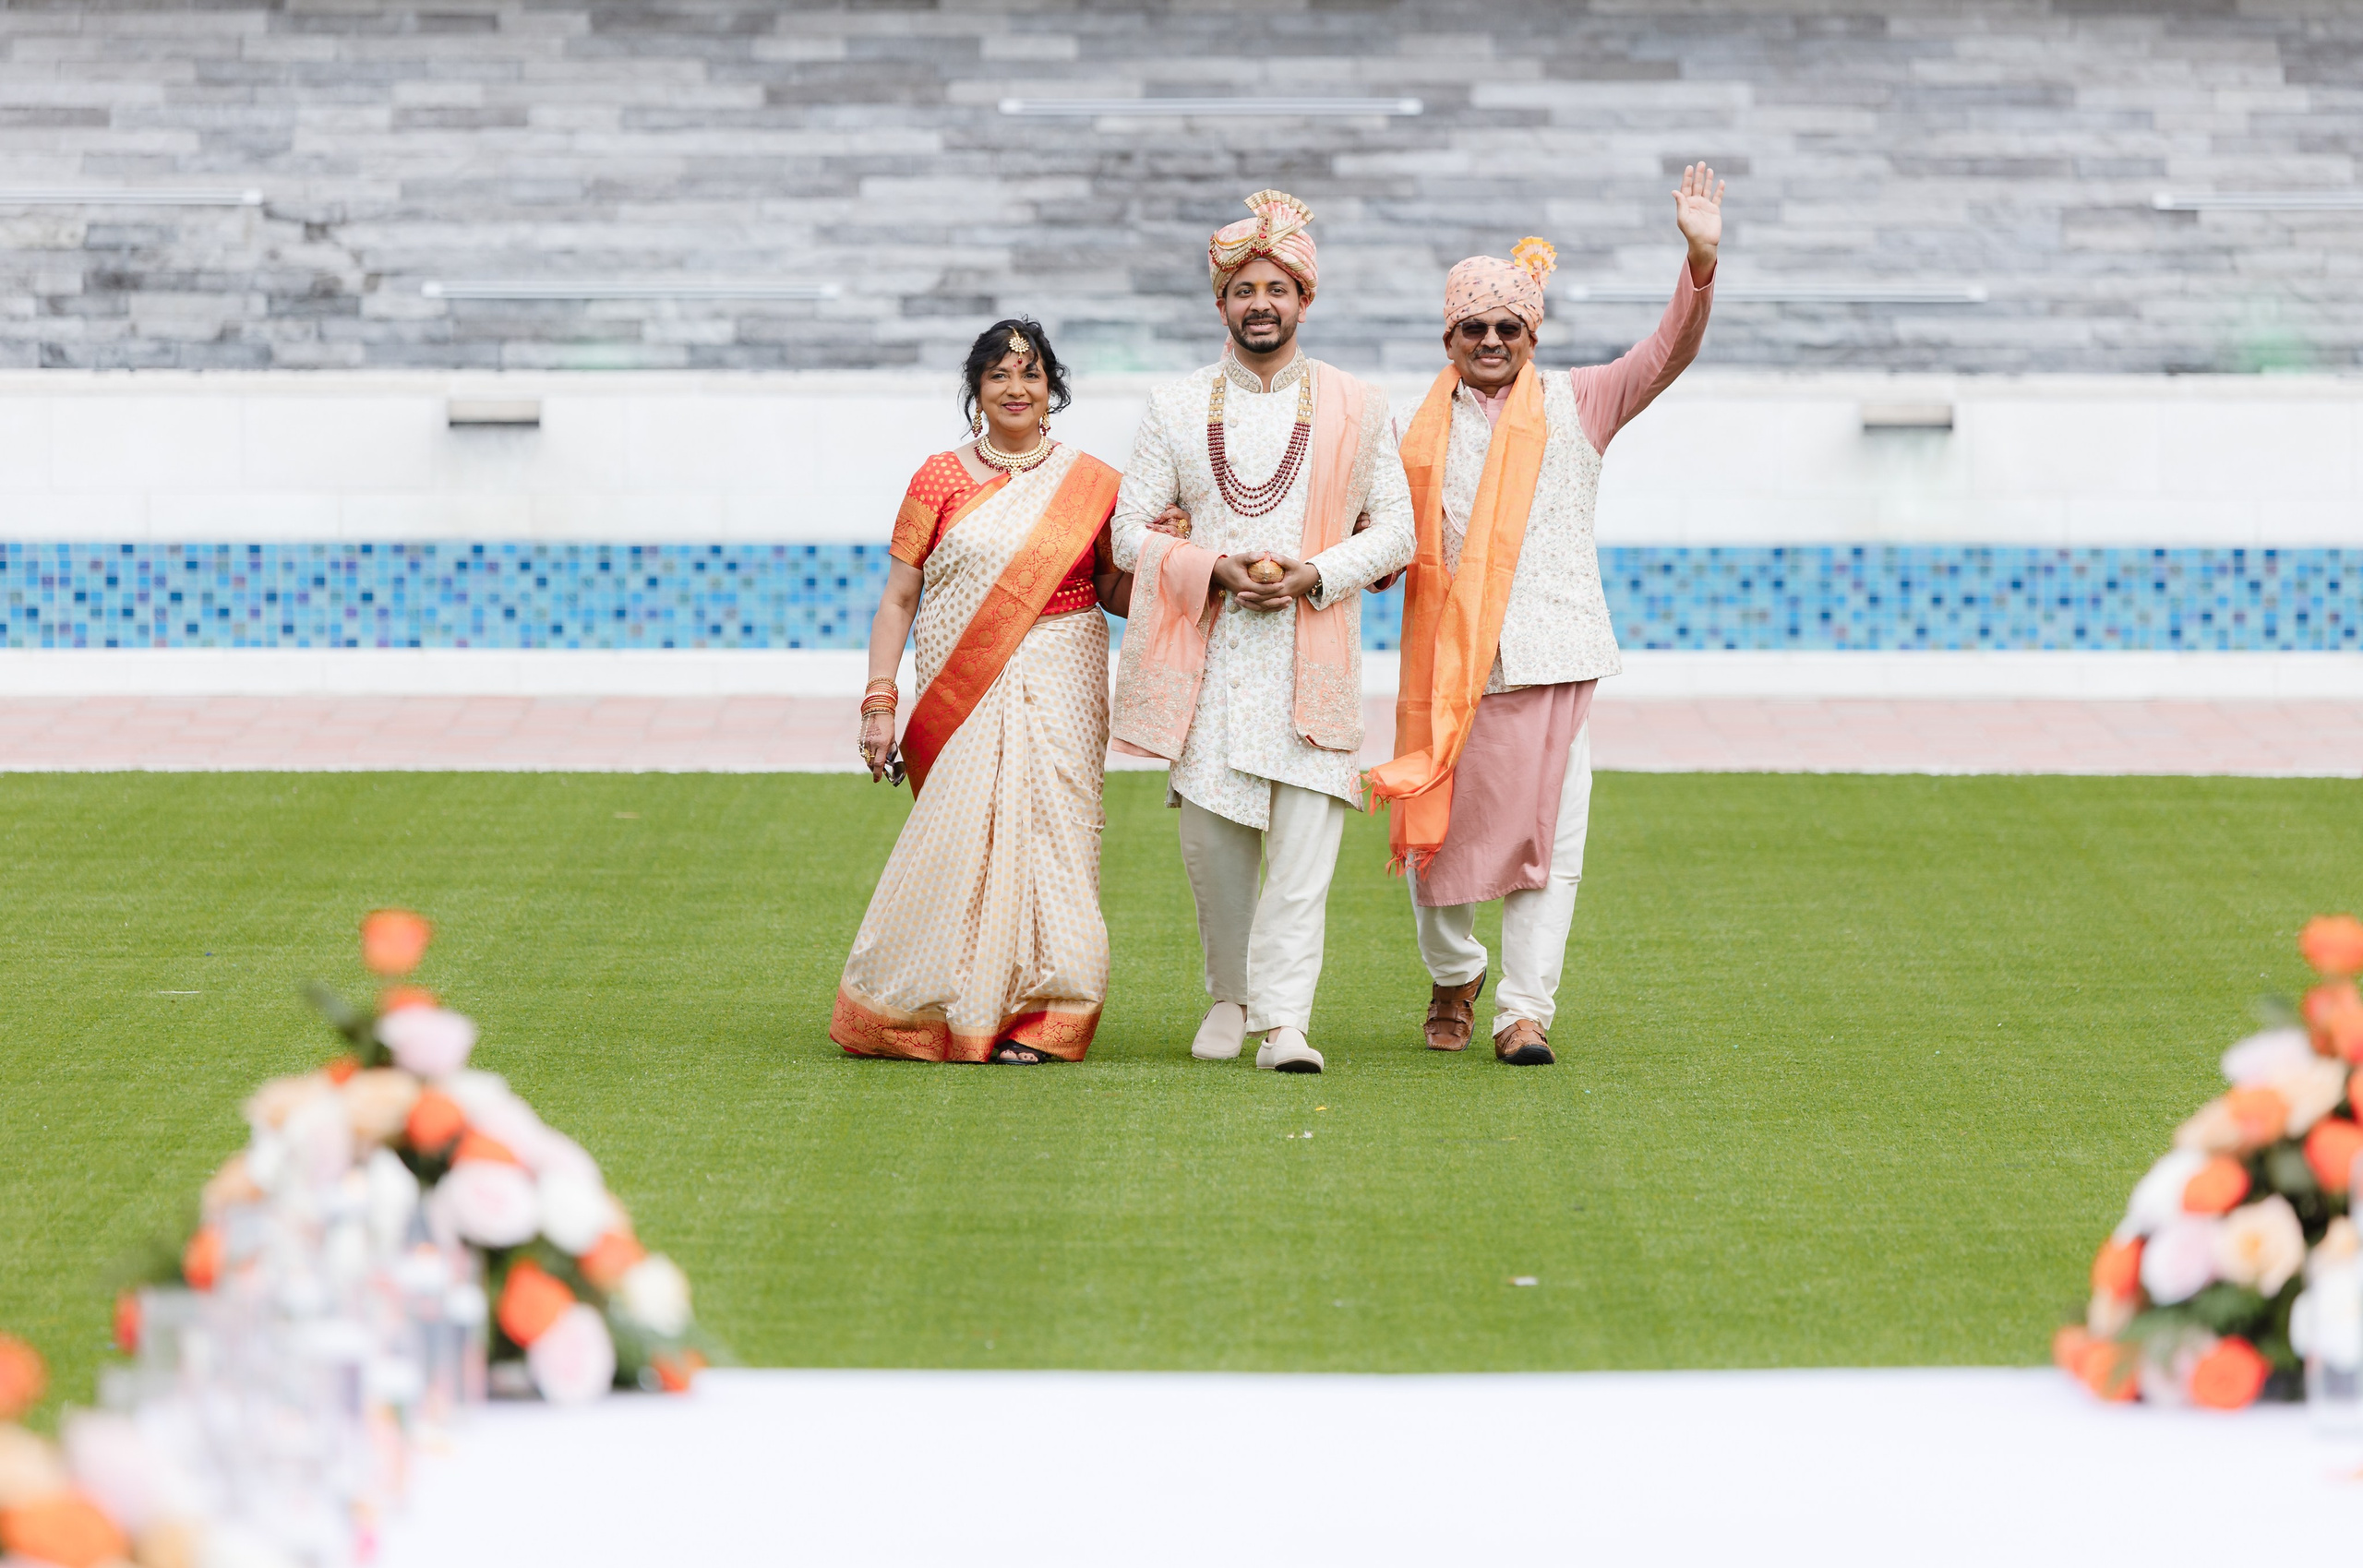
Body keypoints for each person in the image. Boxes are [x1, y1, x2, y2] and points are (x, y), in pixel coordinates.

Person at [1369, 162, 1726, 1067]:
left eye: (1508, 326)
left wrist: (1698, 262)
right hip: (1448, 668)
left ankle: (1522, 1012)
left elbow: (1667, 353)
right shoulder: (1407, 427)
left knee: (1549, 843)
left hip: (1553, 656)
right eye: (1473, 327)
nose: (1491, 340)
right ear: (1448, 336)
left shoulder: (1580, 401)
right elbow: (1369, 524)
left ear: (1532, 332)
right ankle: (1454, 972)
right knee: (1432, 833)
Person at [1109, 190, 1415, 1076]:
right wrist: (1215, 568)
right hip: (1210, 660)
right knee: (1214, 849)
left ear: (1304, 300)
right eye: (1243, 289)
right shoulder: (1175, 405)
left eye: (1277, 288)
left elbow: (1396, 530)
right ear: (1221, 303)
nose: (1261, 304)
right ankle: (1229, 998)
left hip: (1312, 656)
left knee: (1304, 856)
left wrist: (1314, 574)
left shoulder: (1358, 404)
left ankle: (1285, 1023)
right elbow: (1128, 534)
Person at [830, 318, 1127, 1065]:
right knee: (956, 834)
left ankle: (1048, 1015)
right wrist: (879, 701)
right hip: (963, 681)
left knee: (1057, 835)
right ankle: (929, 1008)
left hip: (1065, 674)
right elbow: (899, 597)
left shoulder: (1093, 483)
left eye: (1030, 374)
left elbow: (1114, 589)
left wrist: (1166, 557)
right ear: (977, 390)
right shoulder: (937, 478)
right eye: (999, 375)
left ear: (1052, 388)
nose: (1016, 388)